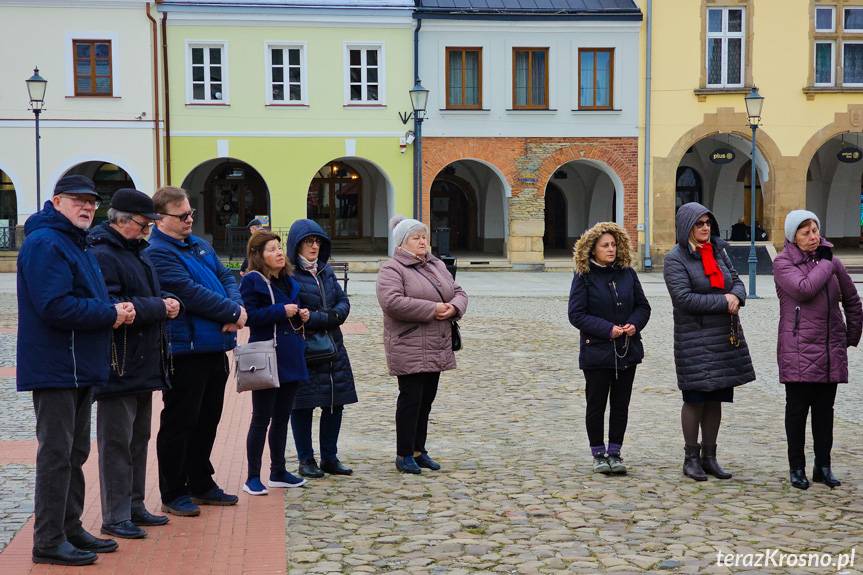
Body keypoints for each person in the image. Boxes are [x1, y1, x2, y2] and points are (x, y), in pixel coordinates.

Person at [18, 175, 134, 566]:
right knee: (56, 454)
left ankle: (70, 527)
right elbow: (55, 306)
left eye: (92, 202)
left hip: (79, 365)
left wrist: (112, 311)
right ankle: (48, 539)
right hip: (55, 366)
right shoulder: (46, 243)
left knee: (75, 451)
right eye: (77, 201)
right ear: (56, 202)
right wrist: (110, 313)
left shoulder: (75, 241)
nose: (87, 207)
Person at [146, 186, 247, 516]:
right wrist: (232, 313)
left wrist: (236, 306)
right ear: (161, 218)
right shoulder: (158, 252)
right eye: (183, 215)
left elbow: (226, 276)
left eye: (191, 213)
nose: (190, 219)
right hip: (184, 348)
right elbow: (189, 293)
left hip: (214, 345)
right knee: (180, 421)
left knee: (208, 420)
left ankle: (201, 482)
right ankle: (174, 490)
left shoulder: (199, 245)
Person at [88, 189, 178, 539]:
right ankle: (115, 514)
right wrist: (159, 306)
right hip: (118, 364)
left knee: (139, 438)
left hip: (141, 362)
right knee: (116, 444)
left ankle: (135, 505)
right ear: (121, 220)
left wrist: (165, 302)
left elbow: (143, 298)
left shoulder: (137, 252)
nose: (148, 231)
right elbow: (113, 304)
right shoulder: (103, 253)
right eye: (143, 225)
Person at [663, 202, 755, 482]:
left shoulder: (718, 251)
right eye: (699, 224)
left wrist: (737, 296)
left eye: (707, 223)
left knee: (715, 398)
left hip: (723, 338)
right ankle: (691, 457)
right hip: (694, 338)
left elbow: (737, 281)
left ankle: (710, 457)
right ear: (686, 227)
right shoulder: (675, 258)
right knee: (695, 398)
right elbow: (683, 298)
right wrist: (723, 301)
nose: (705, 228)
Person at [773, 210, 862, 490]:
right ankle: (796, 467)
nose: (813, 237)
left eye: (815, 231)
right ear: (793, 237)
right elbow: (805, 288)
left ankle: (823, 465)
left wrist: (850, 335)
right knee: (797, 412)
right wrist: (827, 263)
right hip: (798, 347)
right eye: (805, 233)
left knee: (825, 412)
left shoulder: (831, 262)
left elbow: (852, 299)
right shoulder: (782, 263)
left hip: (829, 347)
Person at [376, 216, 468, 474]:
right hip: (410, 342)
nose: (422, 242)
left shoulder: (436, 264)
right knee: (411, 399)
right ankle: (404, 453)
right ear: (402, 243)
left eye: (424, 237)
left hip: (436, 342)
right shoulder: (392, 269)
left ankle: (419, 449)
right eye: (415, 238)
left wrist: (454, 307)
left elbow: (458, 291)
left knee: (427, 399)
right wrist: (432, 309)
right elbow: (392, 302)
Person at [568, 222, 651, 475]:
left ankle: (615, 452)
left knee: (620, 404)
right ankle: (598, 453)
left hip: (627, 350)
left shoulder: (627, 273)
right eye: (605, 245)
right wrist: (607, 329)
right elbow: (576, 314)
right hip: (597, 351)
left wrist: (634, 325)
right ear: (592, 249)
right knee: (596, 404)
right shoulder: (584, 276)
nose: (611, 249)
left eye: (614, 244)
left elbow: (643, 307)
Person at [286, 219, 358, 478]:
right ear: (297, 245)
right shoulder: (290, 274)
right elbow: (295, 314)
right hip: (306, 350)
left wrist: (320, 317)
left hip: (333, 347)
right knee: (302, 406)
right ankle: (306, 459)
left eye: (317, 241)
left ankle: (330, 457)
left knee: (334, 403)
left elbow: (342, 302)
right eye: (308, 241)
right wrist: (322, 318)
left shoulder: (325, 271)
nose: (314, 246)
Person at [240, 231, 310, 494]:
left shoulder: (287, 280)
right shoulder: (253, 281)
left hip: (290, 354)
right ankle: (252, 477)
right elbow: (250, 316)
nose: (279, 253)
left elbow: (293, 309)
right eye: (271, 249)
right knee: (261, 418)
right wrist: (281, 311)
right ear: (258, 255)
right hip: (266, 355)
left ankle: (278, 471)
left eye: (279, 248)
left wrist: (300, 314)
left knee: (282, 418)